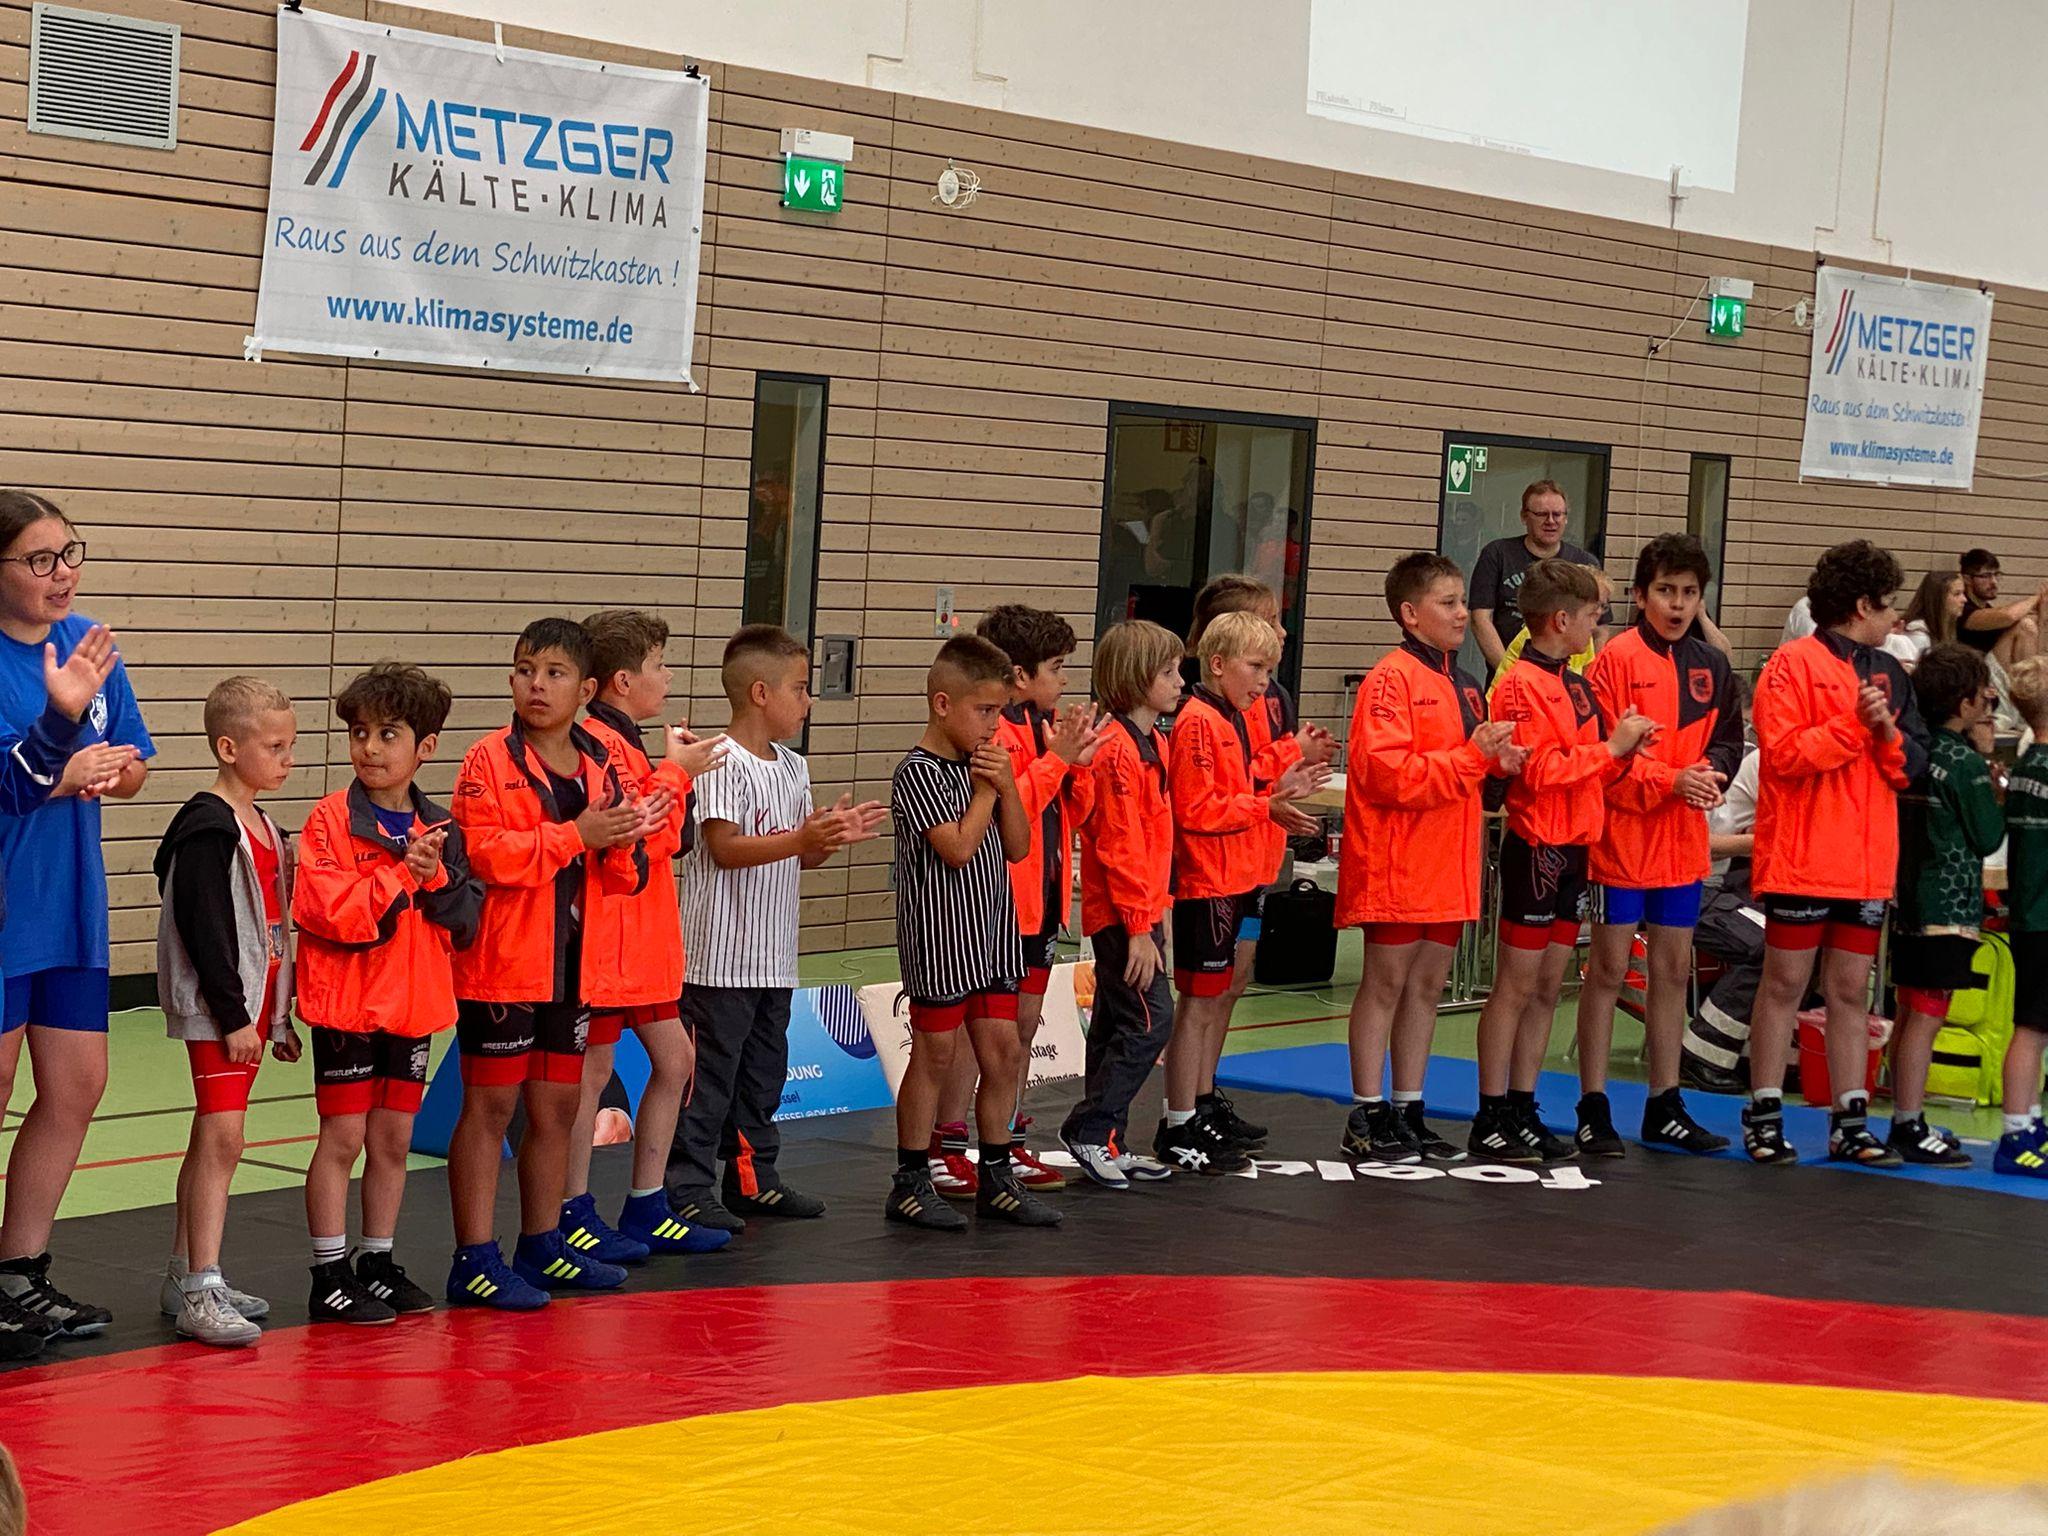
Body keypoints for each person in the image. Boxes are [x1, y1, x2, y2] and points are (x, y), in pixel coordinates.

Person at [445, 618, 653, 1309]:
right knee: (491, 1108)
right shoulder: (487, 759)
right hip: (503, 965)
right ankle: (474, 1259)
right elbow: (483, 854)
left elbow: (626, 875)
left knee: (558, 1107)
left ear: (586, 690)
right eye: (526, 670)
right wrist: (575, 834)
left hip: (573, 966)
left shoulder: (600, 761)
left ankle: (541, 1243)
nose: (536, 685)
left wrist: (621, 842)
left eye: (554, 673)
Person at [0, 491, 152, 1341]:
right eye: (38, 560)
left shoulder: (88, 642)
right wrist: (63, 770)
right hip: (5, 904)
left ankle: (19, 1273)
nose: (61, 575)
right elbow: (12, 783)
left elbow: (132, 764)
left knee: (77, 1087)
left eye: (68, 554)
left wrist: (109, 772)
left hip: (70, 904)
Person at [668, 625, 880, 1232]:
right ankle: (686, 1187)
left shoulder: (793, 766)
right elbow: (725, 847)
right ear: (760, 693)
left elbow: (798, 857)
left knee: (762, 1076)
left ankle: (753, 1179)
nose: (809, 700)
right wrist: (800, 838)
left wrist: (826, 839)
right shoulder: (716, 760)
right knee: (708, 1081)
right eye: (800, 688)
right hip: (718, 960)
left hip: (774, 957)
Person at [293, 663, 484, 1325]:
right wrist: (403, 875)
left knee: (394, 1141)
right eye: (359, 733)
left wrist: (436, 881)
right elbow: (332, 914)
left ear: (425, 746)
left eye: (387, 734)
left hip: (412, 1008)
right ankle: (329, 1273)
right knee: (342, 1139)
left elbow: (466, 919)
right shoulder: (329, 821)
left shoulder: (442, 828)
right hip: (347, 1007)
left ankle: (376, 1260)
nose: (369, 748)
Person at [1744, 540, 1928, 1165]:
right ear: (1860, 605)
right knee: (1785, 984)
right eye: (1888, 604)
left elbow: (1911, 767)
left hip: (1865, 862)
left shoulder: (1892, 672)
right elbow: (1785, 755)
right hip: (1803, 856)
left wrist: (1885, 731)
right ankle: (1764, 1113)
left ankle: (1851, 1120)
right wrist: (1856, 725)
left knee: (1851, 990)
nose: (1896, 617)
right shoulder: (1790, 664)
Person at [1336, 553, 1523, 1163]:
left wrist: (1498, 765)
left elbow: (1469, 773)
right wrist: (1472, 758)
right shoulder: (1389, 680)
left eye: (1463, 600)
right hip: (1397, 860)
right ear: (1410, 614)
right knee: (1386, 984)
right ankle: (1367, 1113)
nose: (1463, 613)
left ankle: (1408, 1108)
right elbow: (1389, 775)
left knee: (1427, 987)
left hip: (1449, 861)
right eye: (1449, 602)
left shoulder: (1465, 682)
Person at [1469, 560, 1655, 1162]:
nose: (1598, 626)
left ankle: (1523, 1104)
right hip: (1537, 846)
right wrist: (1609, 749)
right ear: (1560, 620)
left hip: (1576, 846)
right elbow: (1539, 770)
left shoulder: (1577, 684)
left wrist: (1625, 750)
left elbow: (1594, 767)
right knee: (1515, 985)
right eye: (1592, 615)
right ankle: (1491, 1111)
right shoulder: (1518, 684)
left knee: (1549, 985)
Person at [564, 611, 731, 1260]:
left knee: (676, 1060)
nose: (669, 676)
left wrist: (676, 772)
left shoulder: (631, 745)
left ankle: (646, 1205)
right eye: (659, 665)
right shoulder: (596, 745)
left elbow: (672, 838)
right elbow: (637, 836)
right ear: (623, 681)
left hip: (645, 941)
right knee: (592, 1075)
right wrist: (677, 773)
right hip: (609, 939)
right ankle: (572, 1210)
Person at [1571, 534, 1742, 1158]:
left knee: (1673, 971)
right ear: (1641, 596)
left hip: (1681, 844)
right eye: (1665, 591)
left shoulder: (1713, 665)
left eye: (1689, 593)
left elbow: (1729, 743)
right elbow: (1603, 757)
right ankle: (1593, 1106)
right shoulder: (1613, 660)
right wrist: (1669, 780)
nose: (1677, 604)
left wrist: (1706, 778)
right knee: (1609, 971)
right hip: (1620, 841)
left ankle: (1665, 1104)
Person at [927, 606, 1104, 1198]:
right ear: (1020, 676)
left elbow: (1070, 811)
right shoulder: (996, 733)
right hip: (1000, 906)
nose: (1064, 679)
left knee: (1021, 1030)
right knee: (980, 1035)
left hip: (1044, 903)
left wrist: (1078, 767)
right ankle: (947, 1142)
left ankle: (1004, 1136)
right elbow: (1014, 807)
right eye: (1056, 667)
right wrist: (1059, 761)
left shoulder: (1041, 726)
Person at [152, 677, 301, 1346]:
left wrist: (278, 1016)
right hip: (224, 1009)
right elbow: (206, 928)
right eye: (274, 747)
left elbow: (271, 928)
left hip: (253, 1006)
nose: (287, 759)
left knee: (210, 1136)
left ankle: (185, 1273)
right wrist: (234, 1014)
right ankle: (201, 1288)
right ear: (228, 748)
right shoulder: (210, 829)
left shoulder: (264, 826)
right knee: (224, 1139)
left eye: (290, 745)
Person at [887, 634, 1050, 1229]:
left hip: (992, 932)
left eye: (999, 712)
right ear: (942, 704)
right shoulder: (918, 772)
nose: (993, 725)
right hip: (939, 937)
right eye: (983, 711)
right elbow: (955, 848)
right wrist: (986, 790)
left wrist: (1006, 787)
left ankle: (998, 1174)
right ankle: (910, 1177)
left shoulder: (985, 767)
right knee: (935, 1053)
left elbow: (1019, 845)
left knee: (1003, 1053)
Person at [1158, 611, 1326, 1174]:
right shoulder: (1198, 721)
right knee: (1198, 1004)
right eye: (1256, 667)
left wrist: (1282, 777)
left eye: (1270, 670)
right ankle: (1178, 1121)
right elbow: (1198, 809)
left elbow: (1245, 776)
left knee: (1214, 998)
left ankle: (1196, 1107)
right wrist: (1268, 804)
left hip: (1237, 875)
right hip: (1208, 880)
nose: (1263, 682)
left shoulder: (1229, 715)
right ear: (1218, 663)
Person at [1058, 620, 1182, 1187]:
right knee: (1150, 1022)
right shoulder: (1115, 750)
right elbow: (1119, 842)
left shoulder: (1152, 743)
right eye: (1168, 672)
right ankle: (1090, 1128)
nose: (1179, 682)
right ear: (1135, 679)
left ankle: (1108, 1138)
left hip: (1142, 909)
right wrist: (1138, 926)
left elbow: (1157, 840)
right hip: (1120, 914)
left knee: (1114, 1024)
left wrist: (1159, 912)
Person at [1888, 642, 2003, 1167]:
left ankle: (1903, 1115)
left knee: (1907, 1010)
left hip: (1907, 898)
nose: (1989, 703)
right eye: (1984, 696)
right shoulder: (1964, 763)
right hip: (1950, 906)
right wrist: (1992, 781)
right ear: (1964, 704)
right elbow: (1987, 835)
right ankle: (1909, 1123)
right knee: (1928, 1016)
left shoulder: (1913, 751)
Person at [1997, 656, 2048, 1180]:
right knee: (2032, 1028)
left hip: (2029, 911)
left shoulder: (2026, 769)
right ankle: (2015, 1134)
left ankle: (2029, 1122)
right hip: (2043, 914)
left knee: (2034, 1024)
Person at [1467, 480, 1603, 674]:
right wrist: (1510, 675)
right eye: (1541, 514)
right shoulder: (1497, 554)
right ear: (1524, 516)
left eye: (1557, 514)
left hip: (1567, 680)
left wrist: (1584, 681)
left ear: (1566, 518)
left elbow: (1600, 629)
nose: (1551, 521)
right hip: (1508, 676)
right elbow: (1480, 620)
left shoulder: (1585, 563)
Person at [1957, 547, 2046, 666]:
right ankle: (2027, 677)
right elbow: (2010, 615)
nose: (1994, 582)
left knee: (2029, 622)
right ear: (1967, 579)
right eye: (1986, 576)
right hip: (1972, 670)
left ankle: (2030, 676)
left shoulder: (1987, 608)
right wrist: (2038, 596)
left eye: (1996, 575)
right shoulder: (1962, 607)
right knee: (2025, 626)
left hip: (1992, 668)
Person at [1900, 570, 1965, 666]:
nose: (1964, 599)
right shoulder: (1917, 635)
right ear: (1938, 598)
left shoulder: (1944, 628)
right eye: (1957, 594)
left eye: (1963, 593)